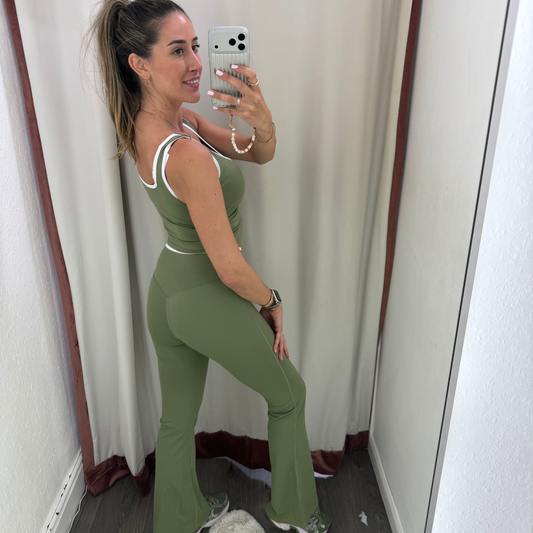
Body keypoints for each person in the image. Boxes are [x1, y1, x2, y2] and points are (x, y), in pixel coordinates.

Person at [84, 1, 331, 532]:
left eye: (196, 46)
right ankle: (295, 514)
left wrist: (262, 122)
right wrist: (272, 301)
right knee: (289, 395)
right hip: (204, 295)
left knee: (176, 419)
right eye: (178, 50)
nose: (197, 62)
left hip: (168, 291)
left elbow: (256, 153)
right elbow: (230, 270)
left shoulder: (160, 126)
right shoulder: (186, 154)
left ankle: (180, 518)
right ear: (139, 64)